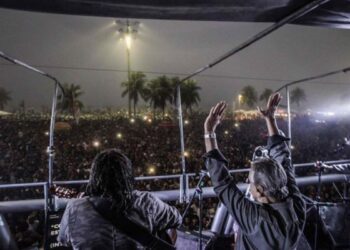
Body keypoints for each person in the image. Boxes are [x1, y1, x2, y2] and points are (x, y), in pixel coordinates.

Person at [203, 93, 306, 250]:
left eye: (250, 181)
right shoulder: (297, 205)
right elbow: (283, 160)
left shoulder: (255, 219)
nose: (247, 183)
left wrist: (209, 132)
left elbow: (222, 184)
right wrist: (270, 119)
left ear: (259, 191)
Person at [58, 148, 182, 249]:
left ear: (94, 176)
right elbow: (177, 219)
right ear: (127, 174)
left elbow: (63, 240)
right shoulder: (146, 201)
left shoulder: (74, 207)